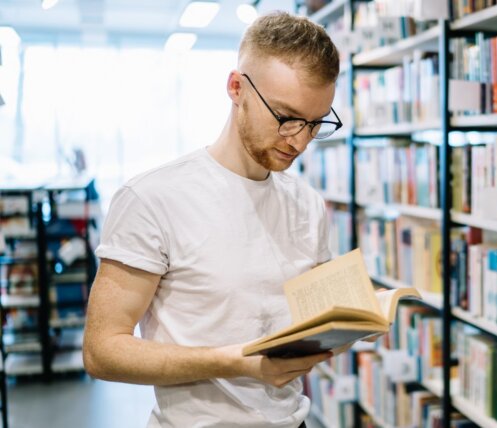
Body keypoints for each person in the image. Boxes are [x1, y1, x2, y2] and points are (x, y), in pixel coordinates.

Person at [83, 12, 344, 427]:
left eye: (316, 123)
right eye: (286, 117)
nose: (299, 140)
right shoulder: (152, 198)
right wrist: (238, 362)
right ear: (236, 87)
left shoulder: (306, 204)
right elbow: (102, 351)